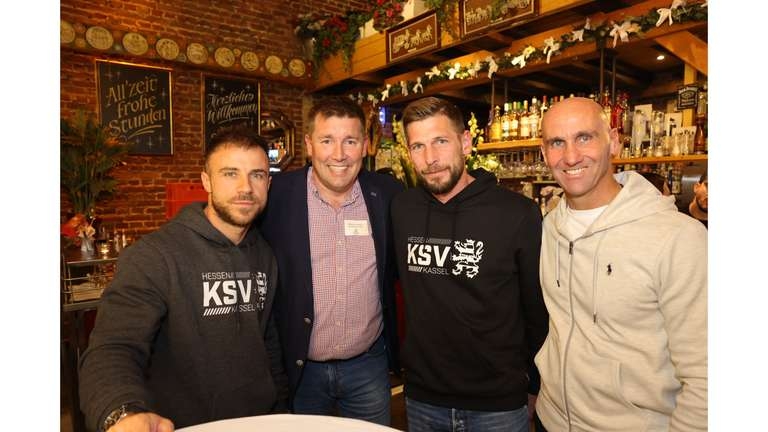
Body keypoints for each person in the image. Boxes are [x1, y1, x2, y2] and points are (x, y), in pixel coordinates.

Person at [79, 126, 288, 432]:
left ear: (268, 183)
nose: (245, 187)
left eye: (256, 175)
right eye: (230, 173)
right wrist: (122, 413)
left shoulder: (265, 254)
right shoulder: (154, 255)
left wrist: (282, 412)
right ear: (207, 181)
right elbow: (114, 347)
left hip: (261, 422)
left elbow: (268, 345)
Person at [535, 97, 707, 431]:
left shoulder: (679, 238)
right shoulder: (549, 227)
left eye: (584, 137)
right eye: (557, 142)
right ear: (544, 154)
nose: (570, 156)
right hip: (550, 420)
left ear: (613, 141)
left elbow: (707, 373)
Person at [392, 96, 549, 432]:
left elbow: (537, 309)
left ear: (465, 142)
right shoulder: (402, 209)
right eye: (418, 146)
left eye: (440, 141)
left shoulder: (517, 214)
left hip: (498, 404)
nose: (430, 158)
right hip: (423, 399)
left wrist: (536, 384)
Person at [259, 96, 403, 425]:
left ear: (365, 146)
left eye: (349, 141)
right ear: (309, 145)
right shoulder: (277, 195)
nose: (339, 154)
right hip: (300, 369)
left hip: (368, 366)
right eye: (327, 141)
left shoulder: (387, 194)